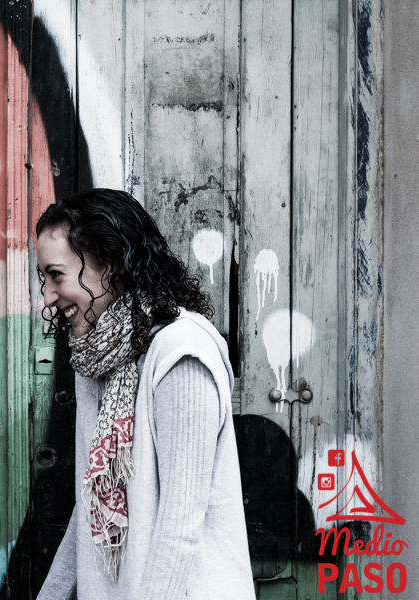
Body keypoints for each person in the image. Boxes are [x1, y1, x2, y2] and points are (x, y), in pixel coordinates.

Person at [34, 189, 255, 600]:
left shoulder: (181, 354)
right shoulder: (96, 360)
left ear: (111, 264)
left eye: (57, 275)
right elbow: (92, 503)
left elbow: (179, 524)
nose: (46, 296)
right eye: (43, 277)